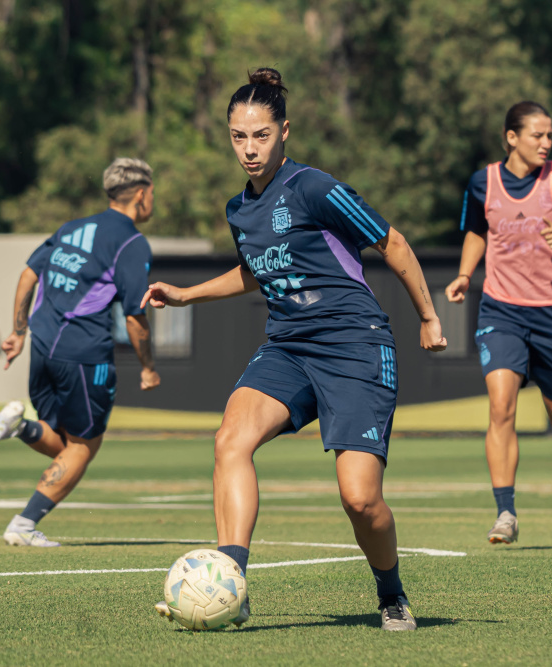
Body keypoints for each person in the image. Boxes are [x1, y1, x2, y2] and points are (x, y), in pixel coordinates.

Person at [146, 68, 446, 631]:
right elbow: (256, 271)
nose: (250, 148)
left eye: (261, 135)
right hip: (288, 345)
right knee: (230, 441)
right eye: (239, 136)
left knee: (360, 500)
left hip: (355, 345)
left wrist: (428, 317)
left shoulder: (315, 187)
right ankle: (231, 582)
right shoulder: (240, 210)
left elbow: (393, 243)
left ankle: (391, 592)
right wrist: (187, 295)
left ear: (285, 131)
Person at [444, 101, 552, 550]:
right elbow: (477, 231)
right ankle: (505, 511)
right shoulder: (484, 182)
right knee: (501, 407)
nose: (546, 143)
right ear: (511, 137)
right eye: (537, 135)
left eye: (550, 135)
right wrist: (464, 274)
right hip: (502, 310)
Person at [0, 158, 161, 547]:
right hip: (83, 354)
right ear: (142, 194)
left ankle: (20, 426)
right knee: (83, 446)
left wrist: (18, 332)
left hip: (43, 347)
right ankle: (24, 525)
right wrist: (147, 366)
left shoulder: (73, 227)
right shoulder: (131, 242)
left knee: (63, 440)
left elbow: (29, 273)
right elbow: (134, 315)